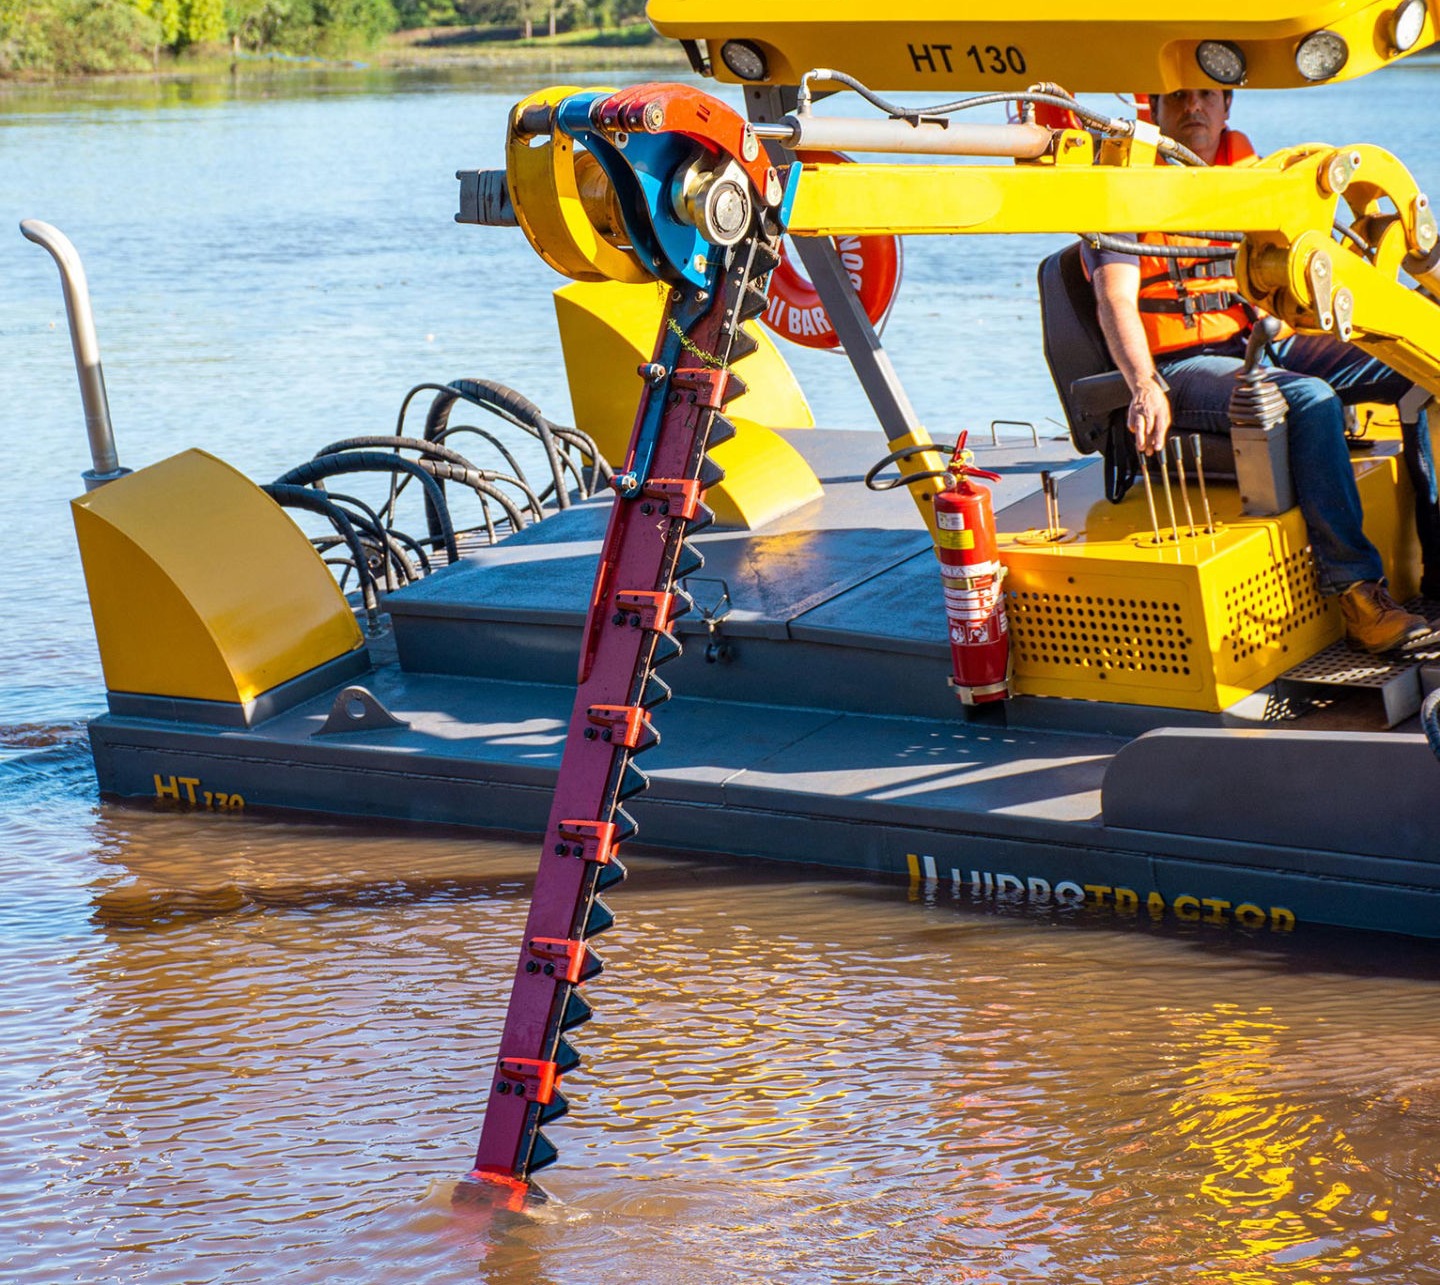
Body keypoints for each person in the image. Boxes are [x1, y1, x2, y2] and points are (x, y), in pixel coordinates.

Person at [1090, 87, 1440, 654]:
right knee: (1310, 399)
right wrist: (1143, 384)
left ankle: (1435, 560)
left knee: (1414, 356)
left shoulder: (1251, 175)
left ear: (1227, 107)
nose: (1193, 107)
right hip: (1179, 366)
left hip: (1258, 342)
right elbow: (1115, 301)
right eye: (1177, 97)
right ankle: (1357, 594)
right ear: (1153, 109)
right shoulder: (1124, 188)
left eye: (1206, 95)